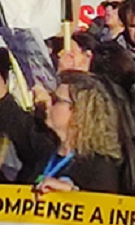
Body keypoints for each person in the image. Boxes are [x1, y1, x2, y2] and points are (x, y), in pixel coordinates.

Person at [0, 71, 128, 194]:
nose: (48, 102)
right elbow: (16, 121)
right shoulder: (48, 150)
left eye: (56, 100)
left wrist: (73, 193)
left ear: (79, 112)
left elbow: (101, 207)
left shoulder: (99, 168)